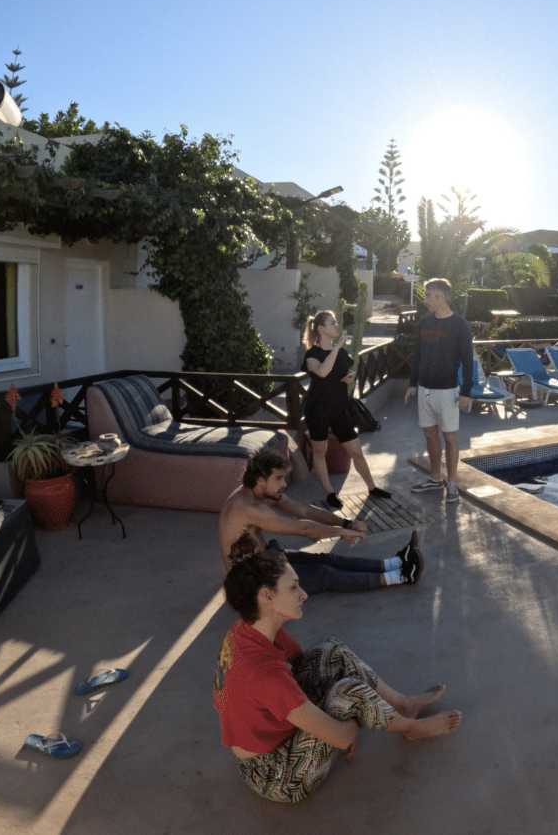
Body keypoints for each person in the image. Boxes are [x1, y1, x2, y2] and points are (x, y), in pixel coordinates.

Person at [213, 550, 460, 803]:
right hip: (276, 775)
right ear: (266, 596)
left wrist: (334, 711)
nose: (303, 594)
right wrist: (349, 717)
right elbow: (342, 738)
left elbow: (301, 662)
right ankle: (411, 728)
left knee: (331, 650)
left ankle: (403, 704)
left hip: (267, 737)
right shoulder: (266, 675)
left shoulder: (249, 628)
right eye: (293, 587)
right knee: (348, 693)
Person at [219, 451, 423, 591]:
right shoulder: (248, 508)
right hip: (251, 583)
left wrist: (346, 524)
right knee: (325, 574)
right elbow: (303, 528)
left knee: (326, 560)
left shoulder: (261, 492)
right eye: (279, 478)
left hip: (264, 560)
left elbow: (304, 511)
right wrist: (340, 533)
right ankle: (402, 576)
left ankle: (394, 563)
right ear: (260, 480)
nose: (284, 484)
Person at [301, 309, 386, 509]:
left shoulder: (341, 353)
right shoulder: (311, 354)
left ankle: (372, 488)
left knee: (356, 451)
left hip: (339, 410)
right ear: (321, 328)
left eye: (336, 323)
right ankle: (330, 493)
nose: (337, 327)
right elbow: (322, 372)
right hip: (317, 410)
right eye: (332, 323)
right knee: (320, 452)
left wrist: (347, 378)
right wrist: (337, 347)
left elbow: (338, 374)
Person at [403, 279, 474, 505]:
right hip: (424, 390)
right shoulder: (425, 323)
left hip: (448, 392)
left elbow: (467, 361)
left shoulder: (460, 325)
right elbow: (418, 356)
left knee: (450, 438)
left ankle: (451, 482)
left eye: (428, 295)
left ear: (440, 297)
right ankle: (435, 478)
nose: (424, 300)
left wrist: (466, 392)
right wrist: (413, 383)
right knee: (430, 435)